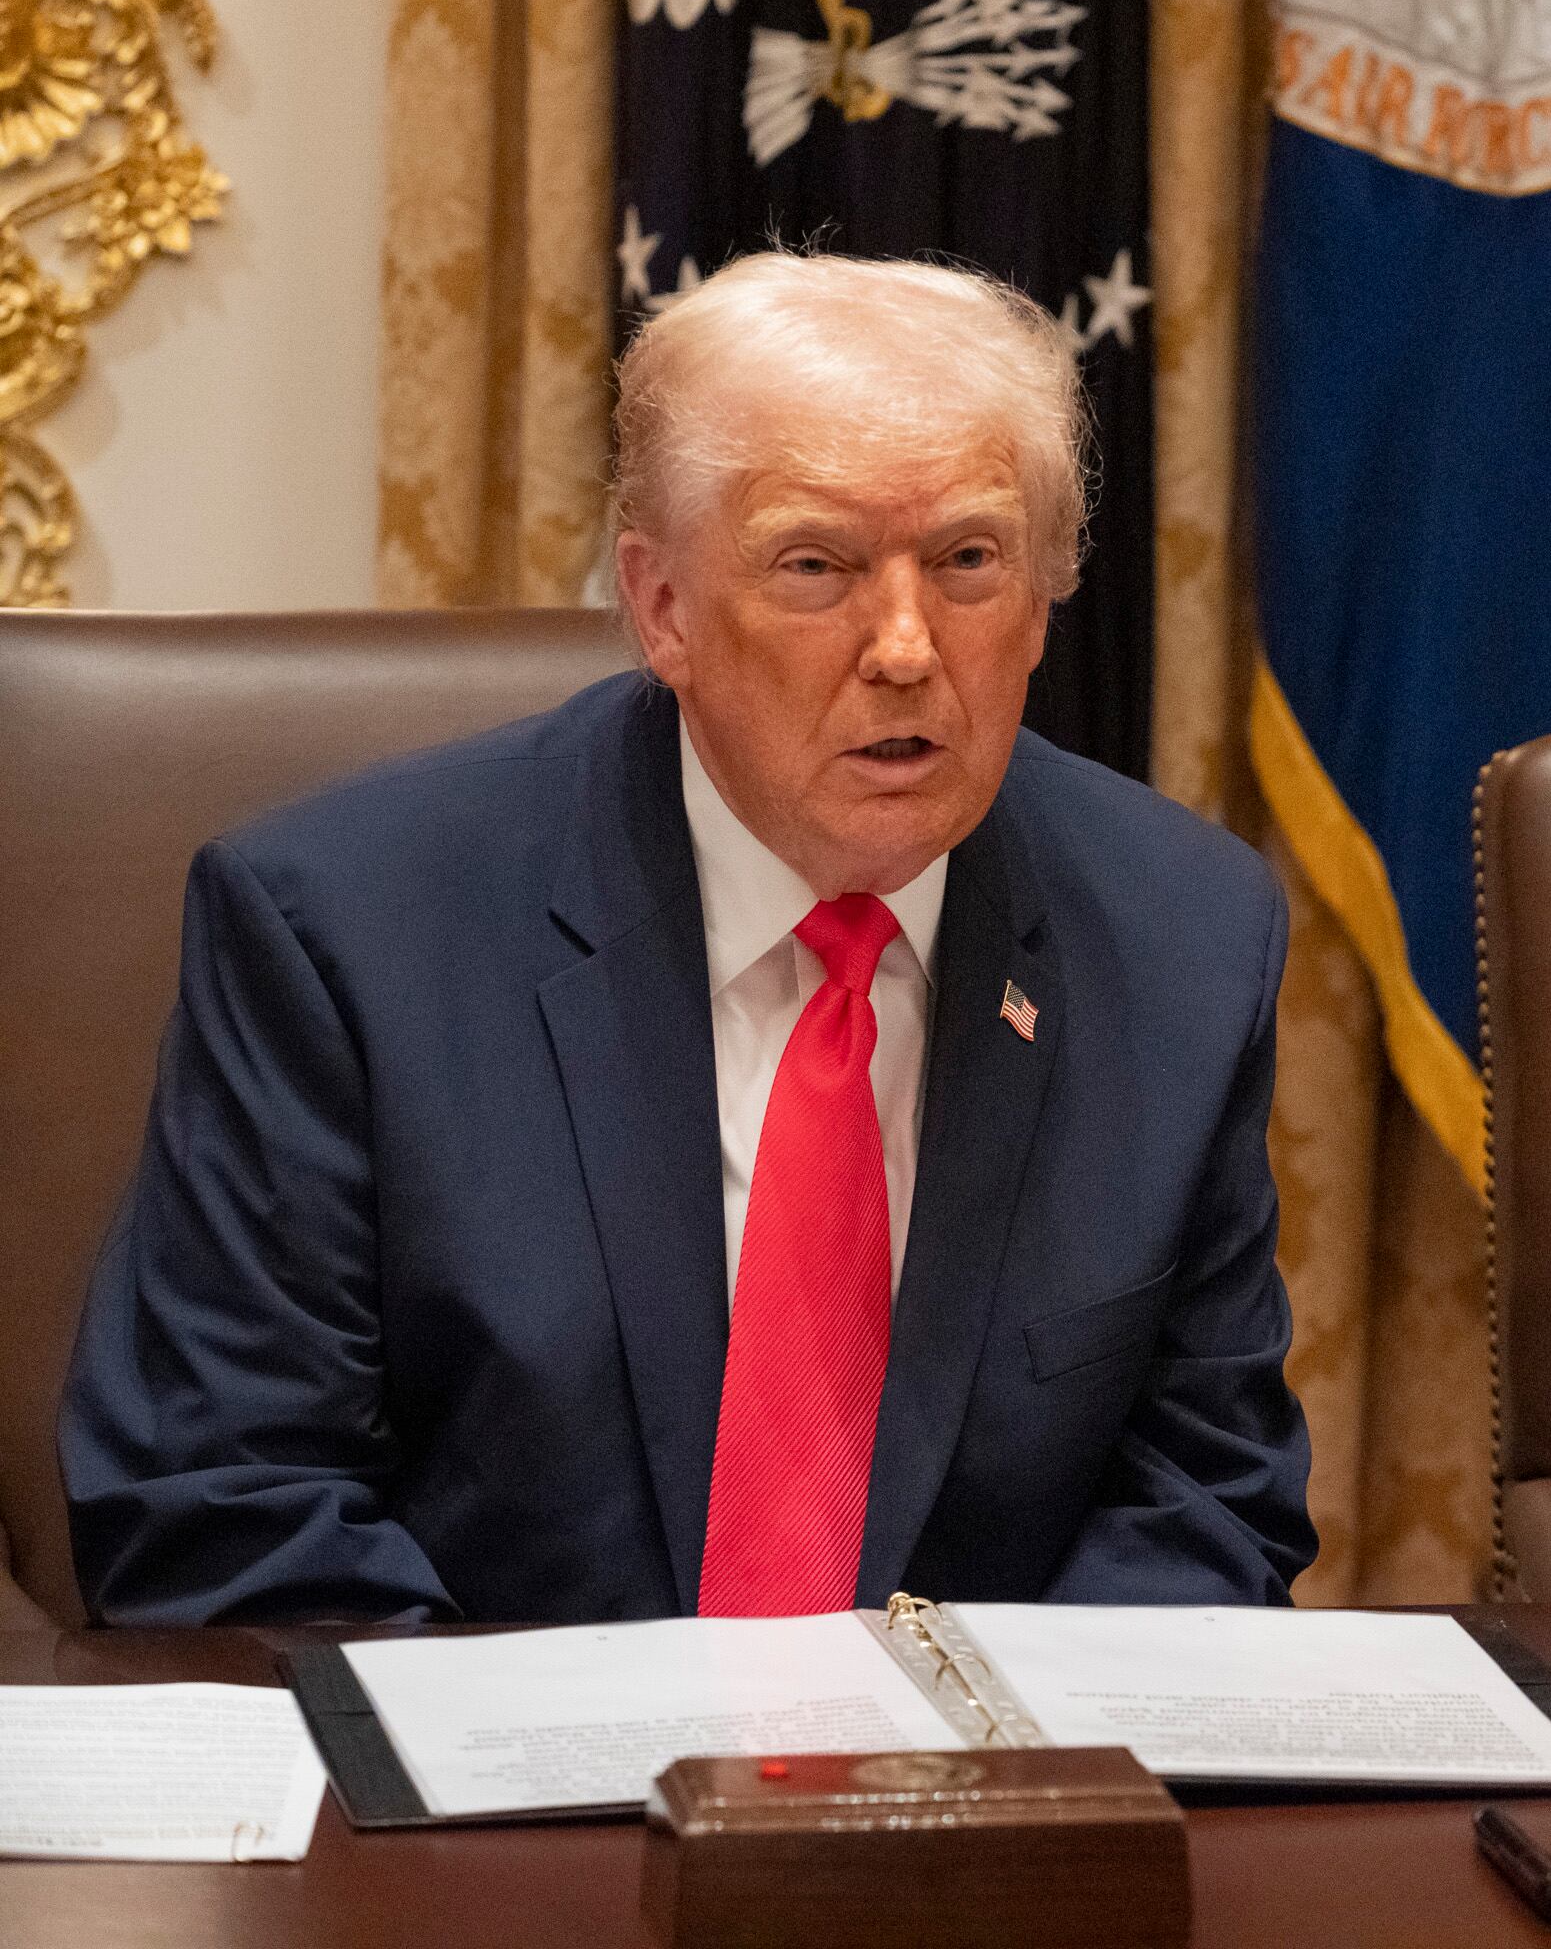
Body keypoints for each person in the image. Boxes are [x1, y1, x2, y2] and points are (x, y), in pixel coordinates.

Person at [62, 253, 1316, 1623]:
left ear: (1040, 600)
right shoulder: (342, 937)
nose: (905, 645)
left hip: (981, 1807)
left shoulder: (1180, 937)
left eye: (966, 561)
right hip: (494, 1804)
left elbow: (1205, 1499)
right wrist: (547, 1799)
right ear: (664, 609)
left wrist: (991, 1786)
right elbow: (221, 1504)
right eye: (816, 566)